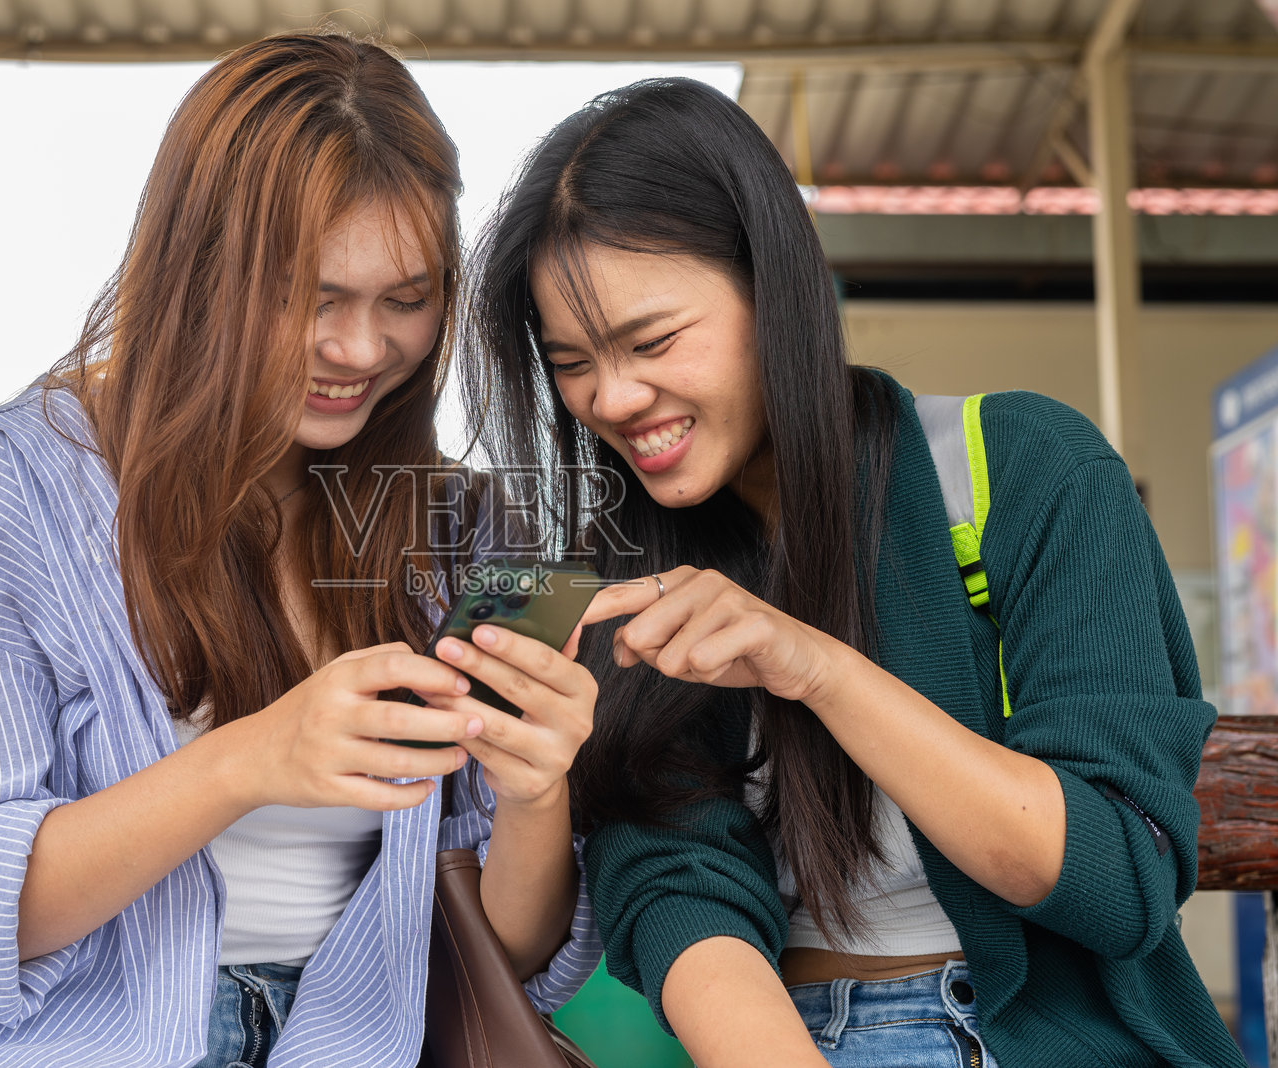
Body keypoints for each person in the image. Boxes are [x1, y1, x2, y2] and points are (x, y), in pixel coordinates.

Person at [463, 77, 1244, 1068]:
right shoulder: (614, 575)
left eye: (651, 341)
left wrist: (818, 669)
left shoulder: (1028, 470)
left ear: (773, 290)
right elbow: (673, 888)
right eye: (573, 363)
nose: (613, 399)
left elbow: (1120, 879)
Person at [0, 32, 599, 1068]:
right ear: (196, 270)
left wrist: (537, 789)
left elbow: (502, 958)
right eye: (310, 297)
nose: (359, 349)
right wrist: (247, 761)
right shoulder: (25, 490)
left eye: (406, 299)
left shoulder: (464, 529)